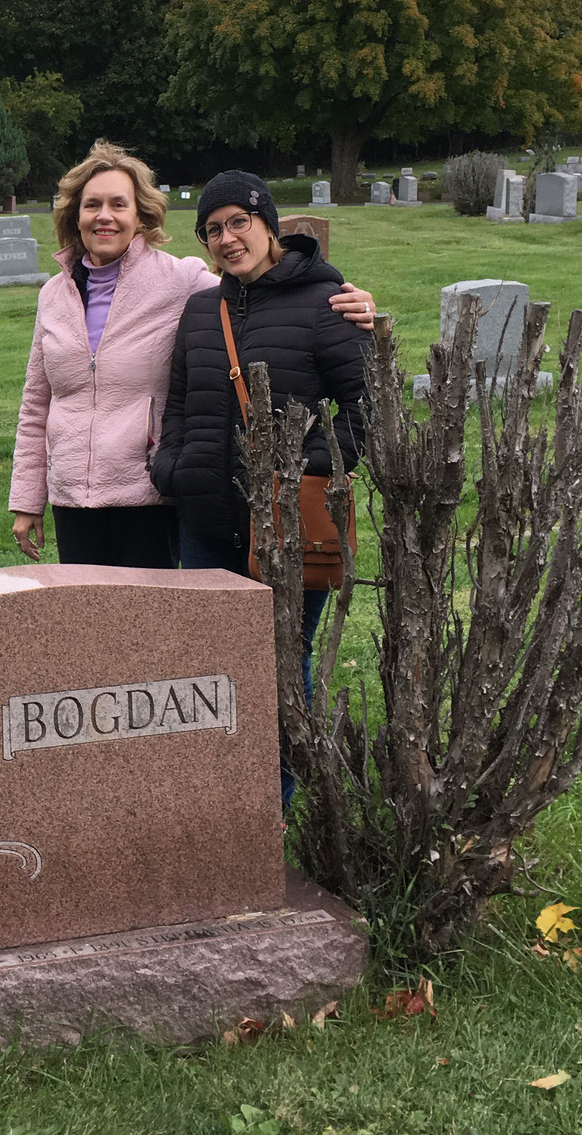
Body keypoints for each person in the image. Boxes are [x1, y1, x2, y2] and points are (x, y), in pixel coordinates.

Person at [11, 142, 375, 568]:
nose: (104, 215)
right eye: (92, 204)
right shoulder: (53, 296)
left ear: (140, 215)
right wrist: (27, 498)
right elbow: (37, 403)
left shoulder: (179, 280)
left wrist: (356, 300)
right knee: (87, 622)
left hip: (145, 497)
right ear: (75, 215)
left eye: (118, 204)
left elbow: (260, 290)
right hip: (72, 498)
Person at [151, 170, 369, 800]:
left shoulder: (327, 305)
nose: (226, 238)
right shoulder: (201, 311)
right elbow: (179, 406)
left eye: (238, 222)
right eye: (213, 229)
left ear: (270, 226)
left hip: (294, 522)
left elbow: (366, 411)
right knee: (209, 662)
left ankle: (275, 801)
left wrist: (307, 471)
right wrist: (173, 470)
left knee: (280, 661)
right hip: (209, 523)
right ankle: (222, 794)